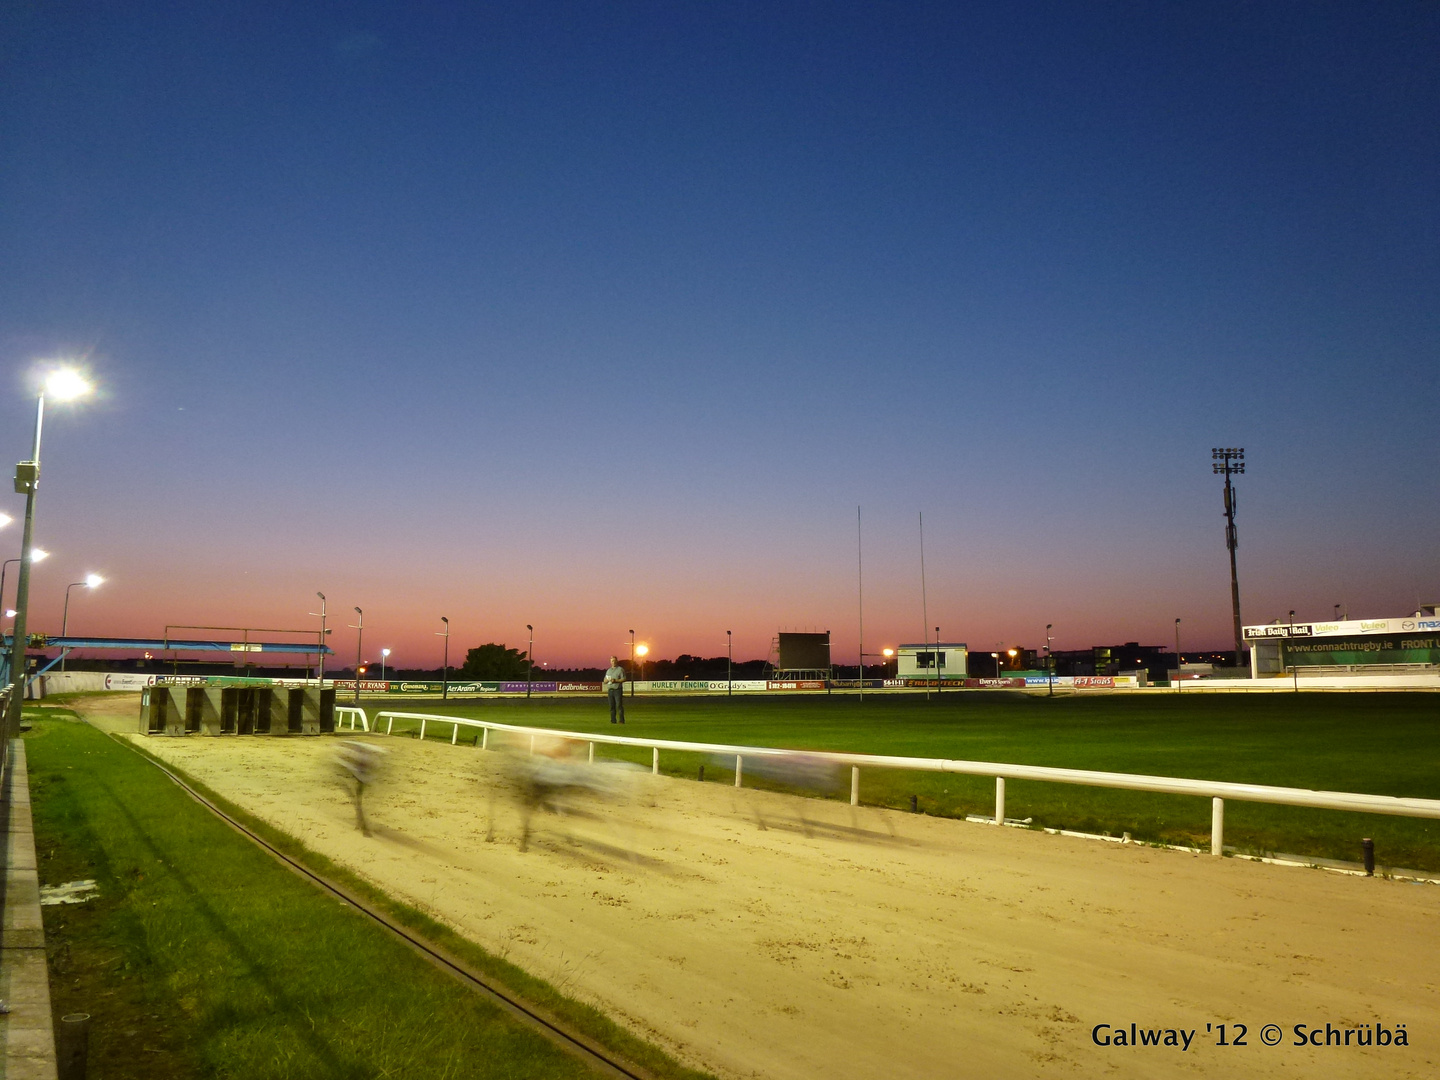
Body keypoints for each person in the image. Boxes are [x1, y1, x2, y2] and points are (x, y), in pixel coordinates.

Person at [603, 655, 626, 723]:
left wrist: (615, 680)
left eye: (614, 661)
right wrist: (607, 681)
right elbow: (604, 680)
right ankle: (613, 720)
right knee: (611, 706)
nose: (613, 662)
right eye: (612, 661)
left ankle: (621, 720)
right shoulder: (609, 670)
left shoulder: (620, 669)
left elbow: (624, 679)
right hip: (610, 690)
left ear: (617, 661)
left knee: (619, 705)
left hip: (617, 690)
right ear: (610, 662)